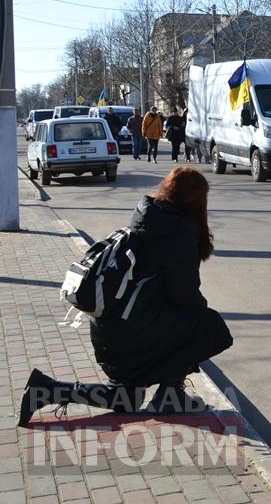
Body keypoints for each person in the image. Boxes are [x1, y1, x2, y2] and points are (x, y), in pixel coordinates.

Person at [18, 168, 233, 425]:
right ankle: (169, 395)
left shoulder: (146, 219)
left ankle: (46, 389)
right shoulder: (178, 233)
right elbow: (183, 294)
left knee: (125, 400)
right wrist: (198, 313)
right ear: (197, 201)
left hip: (109, 335)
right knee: (211, 327)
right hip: (132, 335)